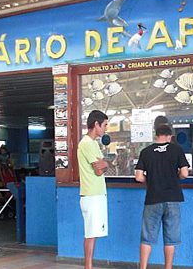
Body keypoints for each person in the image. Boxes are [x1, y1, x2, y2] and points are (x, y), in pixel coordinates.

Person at [135, 124, 189, 269]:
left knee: (147, 237)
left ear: (156, 135)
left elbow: (139, 177)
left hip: (153, 197)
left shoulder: (146, 151)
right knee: (170, 238)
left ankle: (143, 267)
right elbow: (184, 173)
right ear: (170, 136)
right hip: (173, 197)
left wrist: (151, 180)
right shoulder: (176, 149)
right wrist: (174, 175)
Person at [77, 110, 110, 269]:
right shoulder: (86, 143)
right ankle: (88, 266)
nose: (105, 129)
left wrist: (104, 164)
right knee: (90, 234)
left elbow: (102, 163)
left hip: (97, 194)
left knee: (94, 233)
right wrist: (105, 165)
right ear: (96, 124)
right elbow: (98, 169)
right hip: (91, 195)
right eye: (104, 125)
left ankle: (89, 265)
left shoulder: (94, 143)